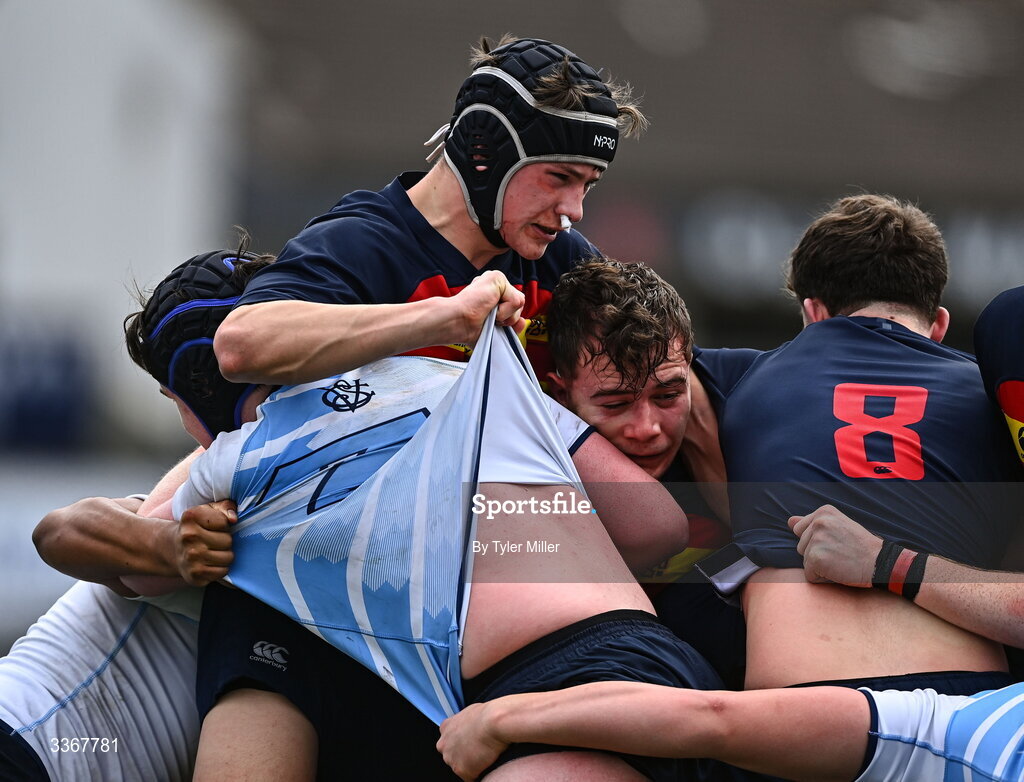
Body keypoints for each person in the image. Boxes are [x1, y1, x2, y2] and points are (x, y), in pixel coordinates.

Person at [85, 247, 724, 781]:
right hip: (654, 662)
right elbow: (657, 526)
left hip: (548, 687)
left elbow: (131, 565)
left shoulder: (232, 467)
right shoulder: (458, 375)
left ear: (197, 391)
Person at [690, 194, 1021, 698]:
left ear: (812, 313)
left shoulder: (733, 376)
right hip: (975, 710)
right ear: (940, 325)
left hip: (811, 704)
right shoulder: (995, 394)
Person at [212, 35, 647, 386]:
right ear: (486, 152)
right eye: (559, 177)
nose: (575, 210)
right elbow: (240, 345)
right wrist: (448, 318)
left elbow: (671, 372)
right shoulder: (363, 241)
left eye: (588, 185)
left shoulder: (565, 259)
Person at [544, 259, 744, 687]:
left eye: (669, 395)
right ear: (560, 394)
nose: (648, 428)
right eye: (615, 405)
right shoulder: (527, 479)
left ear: (689, 366)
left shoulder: (753, 402)